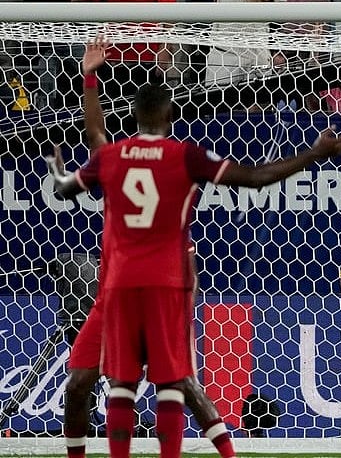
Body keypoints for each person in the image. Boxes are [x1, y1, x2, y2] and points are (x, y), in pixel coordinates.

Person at [49, 36, 341, 458]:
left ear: (134, 115)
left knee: (127, 383)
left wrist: (89, 78)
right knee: (162, 381)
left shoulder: (112, 156)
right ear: (172, 116)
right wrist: (315, 153)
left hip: (121, 284)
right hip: (158, 284)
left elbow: (95, 137)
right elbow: (255, 178)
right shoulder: (185, 156)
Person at [48, 38, 237, 458]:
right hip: (114, 291)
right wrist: (89, 78)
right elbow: (95, 133)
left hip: (165, 283)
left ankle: (228, 453)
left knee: (179, 383)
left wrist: (91, 76)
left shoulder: (162, 161)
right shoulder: (119, 158)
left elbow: (96, 135)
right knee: (79, 380)